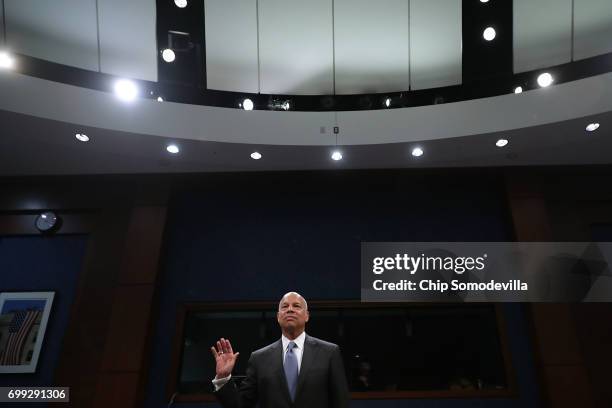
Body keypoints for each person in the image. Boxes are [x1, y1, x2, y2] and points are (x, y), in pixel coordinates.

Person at [210, 292, 349, 408]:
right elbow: (241, 405)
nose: (290, 309)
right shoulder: (259, 358)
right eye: (284, 306)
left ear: (307, 315)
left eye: (296, 306)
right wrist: (223, 378)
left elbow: (341, 402)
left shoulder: (329, 352)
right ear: (278, 317)